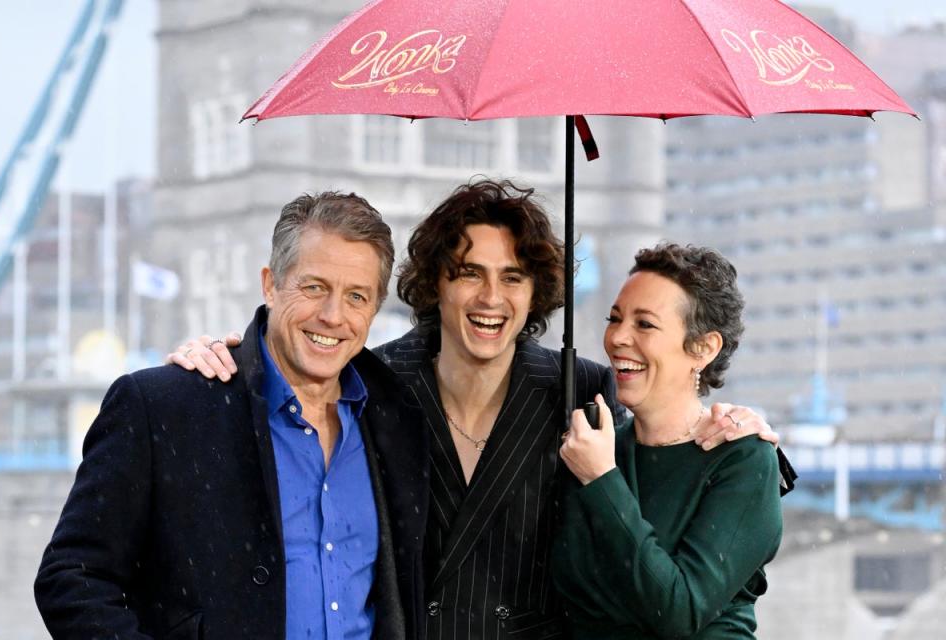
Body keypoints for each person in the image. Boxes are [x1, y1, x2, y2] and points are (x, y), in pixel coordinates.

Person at [170, 179, 788, 639]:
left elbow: (667, 410)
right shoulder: (372, 382)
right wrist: (220, 354)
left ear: (535, 292)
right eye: (468, 273)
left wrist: (749, 428)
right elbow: (294, 358)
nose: (491, 298)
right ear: (435, 283)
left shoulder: (582, 393)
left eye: (513, 277)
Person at [34, 193, 424, 640]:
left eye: (356, 296)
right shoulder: (164, 405)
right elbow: (72, 577)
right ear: (271, 284)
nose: (333, 315)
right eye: (314, 287)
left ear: (374, 309)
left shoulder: (398, 419)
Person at [552, 243, 783, 639]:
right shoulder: (594, 449)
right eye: (614, 318)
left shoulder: (743, 460)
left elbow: (677, 610)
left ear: (704, 348)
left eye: (645, 324)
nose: (617, 338)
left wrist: (602, 479)